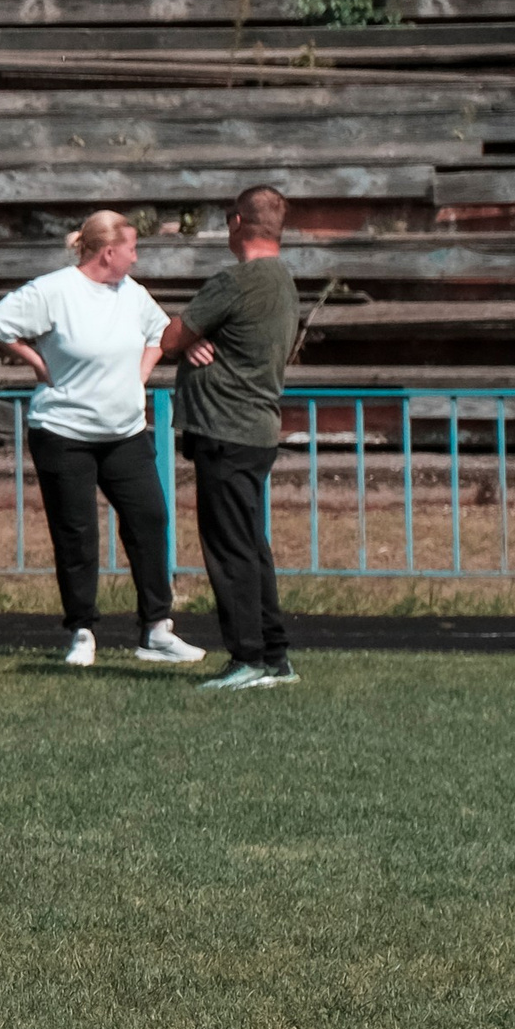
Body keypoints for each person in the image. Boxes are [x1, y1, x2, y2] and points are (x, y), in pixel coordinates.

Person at [0, 210, 204, 669]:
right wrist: (37, 363)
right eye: (132, 248)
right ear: (108, 252)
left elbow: (161, 333)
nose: (136, 257)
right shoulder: (55, 290)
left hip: (125, 432)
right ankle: (82, 631)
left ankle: (157, 629)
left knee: (149, 519)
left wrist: (142, 372)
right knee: (77, 533)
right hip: (63, 432)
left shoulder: (132, 294)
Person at [160, 186, 301, 692]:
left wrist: (191, 337)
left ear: (237, 221)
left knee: (229, 550)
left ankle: (248, 657)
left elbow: (170, 338)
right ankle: (274, 654)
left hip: (225, 427)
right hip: (256, 429)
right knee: (251, 545)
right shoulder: (283, 280)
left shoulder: (237, 280)